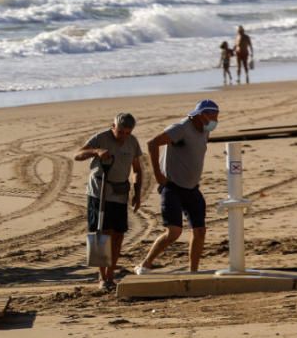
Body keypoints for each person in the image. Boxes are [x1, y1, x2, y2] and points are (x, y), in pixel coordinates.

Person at [135, 99, 220, 275]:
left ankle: (193, 271)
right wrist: (158, 175)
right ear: (200, 115)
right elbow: (152, 143)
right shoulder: (180, 128)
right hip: (172, 187)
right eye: (212, 116)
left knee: (200, 231)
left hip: (192, 188)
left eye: (217, 116)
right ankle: (145, 264)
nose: (215, 120)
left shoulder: (205, 131)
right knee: (174, 232)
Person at [73, 112, 144, 290]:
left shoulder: (133, 142)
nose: (123, 136)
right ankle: (102, 277)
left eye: (127, 132)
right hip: (99, 191)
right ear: (113, 127)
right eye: (120, 132)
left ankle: (111, 275)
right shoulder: (101, 138)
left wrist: (137, 193)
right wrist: (96, 151)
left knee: (118, 234)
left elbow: (136, 170)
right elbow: (78, 155)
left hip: (120, 192)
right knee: (102, 233)